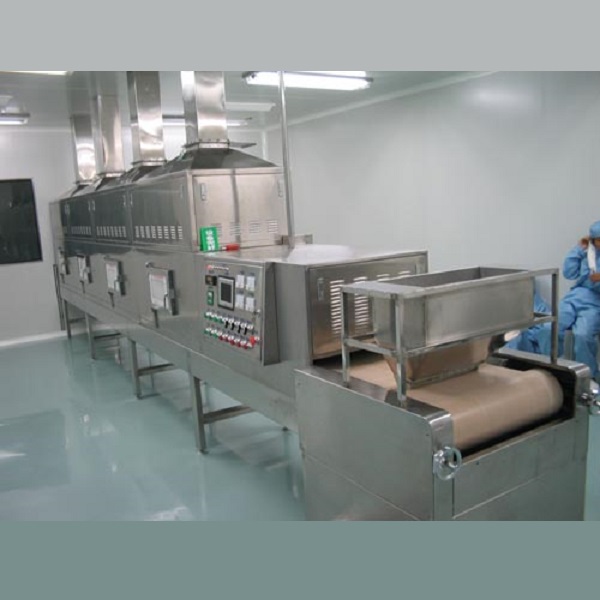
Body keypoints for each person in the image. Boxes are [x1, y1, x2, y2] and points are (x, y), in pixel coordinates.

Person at [533, 220, 600, 381]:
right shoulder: (587, 252)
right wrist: (579, 249)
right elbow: (569, 273)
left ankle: (587, 379)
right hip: (575, 297)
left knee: (582, 336)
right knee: (548, 328)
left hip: (595, 302)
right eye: (598, 240)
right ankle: (553, 369)